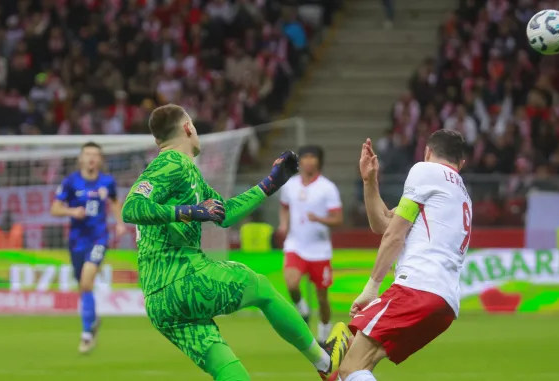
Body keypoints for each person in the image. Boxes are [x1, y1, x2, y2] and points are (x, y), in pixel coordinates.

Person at [121, 104, 349, 381]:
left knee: (226, 367)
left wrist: (270, 183)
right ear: (188, 128)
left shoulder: (189, 174)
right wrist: (189, 212)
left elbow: (224, 213)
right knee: (261, 287)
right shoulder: (172, 163)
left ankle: (325, 365)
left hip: (158, 300)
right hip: (184, 278)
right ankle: (325, 362)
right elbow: (131, 207)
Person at [338, 130, 471, 381]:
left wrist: (371, 288)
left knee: (349, 369)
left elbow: (394, 236)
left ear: (427, 152)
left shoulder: (425, 171)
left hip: (417, 290)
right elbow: (384, 223)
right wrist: (370, 181)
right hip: (445, 303)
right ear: (460, 164)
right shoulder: (459, 193)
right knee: (355, 365)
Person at [50, 142, 127, 354]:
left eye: (95, 155)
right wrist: (72, 212)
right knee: (84, 287)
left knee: (86, 281)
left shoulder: (107, 182)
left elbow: (114, 202)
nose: (92, 158)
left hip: (99, 239)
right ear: (81, 159)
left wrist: (119, 223)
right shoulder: (71, 182)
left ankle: (86, 334)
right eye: (88, 154)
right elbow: (55, 209)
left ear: (100, 160)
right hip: (76, 241)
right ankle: (92, 321)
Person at [278, 145, 343, 345]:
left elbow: (338, 218)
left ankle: (324, 334)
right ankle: (303, 309)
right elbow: (284, 207)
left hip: (319, 250)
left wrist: (320, 219)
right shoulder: (290, 185)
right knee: (291, 283)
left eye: (312, 157)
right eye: (304, 157)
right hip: (295, 244)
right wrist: (284, 224)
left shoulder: (327, 188)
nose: (308, 161)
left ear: (318, 161)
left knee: (322, 297)